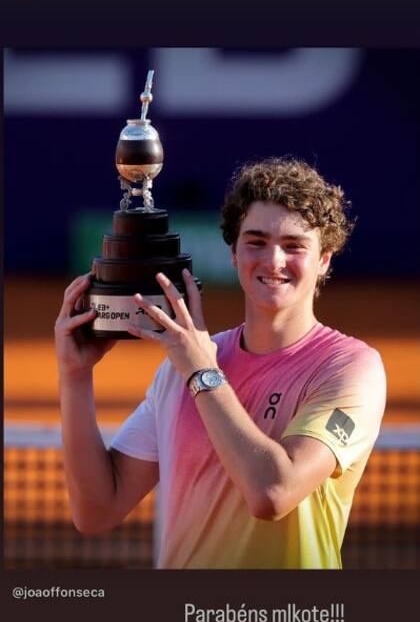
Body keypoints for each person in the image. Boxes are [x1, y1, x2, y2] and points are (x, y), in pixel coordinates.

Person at [55, 158, 386, 569]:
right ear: (233, 252)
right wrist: (74, 376)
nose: (274, 260)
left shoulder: (350, 368)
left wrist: (200, 370)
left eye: (294, 246)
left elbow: (273, 493)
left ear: (324, 260)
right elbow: (96, 511)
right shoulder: (181, 365)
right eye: (256, 242)